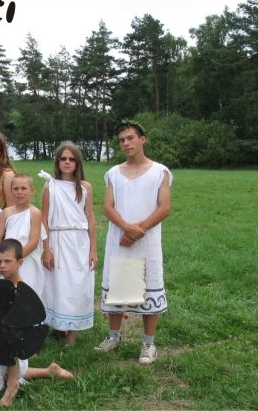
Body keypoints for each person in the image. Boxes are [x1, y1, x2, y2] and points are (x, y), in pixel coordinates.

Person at [94, 121, 172, 365]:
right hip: (120, 240)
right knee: (119, 287)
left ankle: (148, 343)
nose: (126, 143)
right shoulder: (114, 173)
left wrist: (139, 231)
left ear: (142, 139)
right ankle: (113, 337)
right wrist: (127, 228)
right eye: (122, 140)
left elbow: (164, 208)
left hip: (146, 243)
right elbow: (107, 207)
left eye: (130, 138)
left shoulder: (160, 172)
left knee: (149, 287)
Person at [0, 239, 74, 407]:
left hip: (16, 347)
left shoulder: (20, 292)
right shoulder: (4, 283)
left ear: (20, 263)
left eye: (8, 261)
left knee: (10, 366)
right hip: (3, 346)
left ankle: (12, 386)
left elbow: (18, 332)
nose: (2, 266)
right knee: (7, 371)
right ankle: (49, 371)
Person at [40, 142, 98, 346]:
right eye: (63, 158)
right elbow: (44, 219)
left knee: (77, 285)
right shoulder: (50, 186)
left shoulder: (85, 187)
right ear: (58, 162)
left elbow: (90, 218)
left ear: (77, 162)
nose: (67, 162)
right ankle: (59, 326)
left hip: (78, 242)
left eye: (71, 159)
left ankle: (72, 331)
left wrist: (93, 250)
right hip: (57, 240)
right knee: (58, 284)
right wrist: (46, 250)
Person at [0, 173, 46, 305]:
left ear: (31, 190)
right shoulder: (6, 212)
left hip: (26, 259)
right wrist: (2, 258)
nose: (19, 192)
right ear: (11, 191)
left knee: (27, 292)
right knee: (7, 294)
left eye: (23, 188)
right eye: (16, 189)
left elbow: (33, 242)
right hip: (6, 260)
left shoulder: (35, 213)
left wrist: (16, 259)